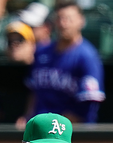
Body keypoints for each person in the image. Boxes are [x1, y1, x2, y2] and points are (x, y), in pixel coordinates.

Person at [18, 0, 105, 128]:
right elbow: (34, 93)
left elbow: (87, 106)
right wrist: (27, 117)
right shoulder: (42, 52)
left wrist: (52, 127)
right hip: (39, 129)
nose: (64, 24)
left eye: (69, 19)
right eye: (60, 19)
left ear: (81, 21)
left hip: (72, 134)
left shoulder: (87, 57)